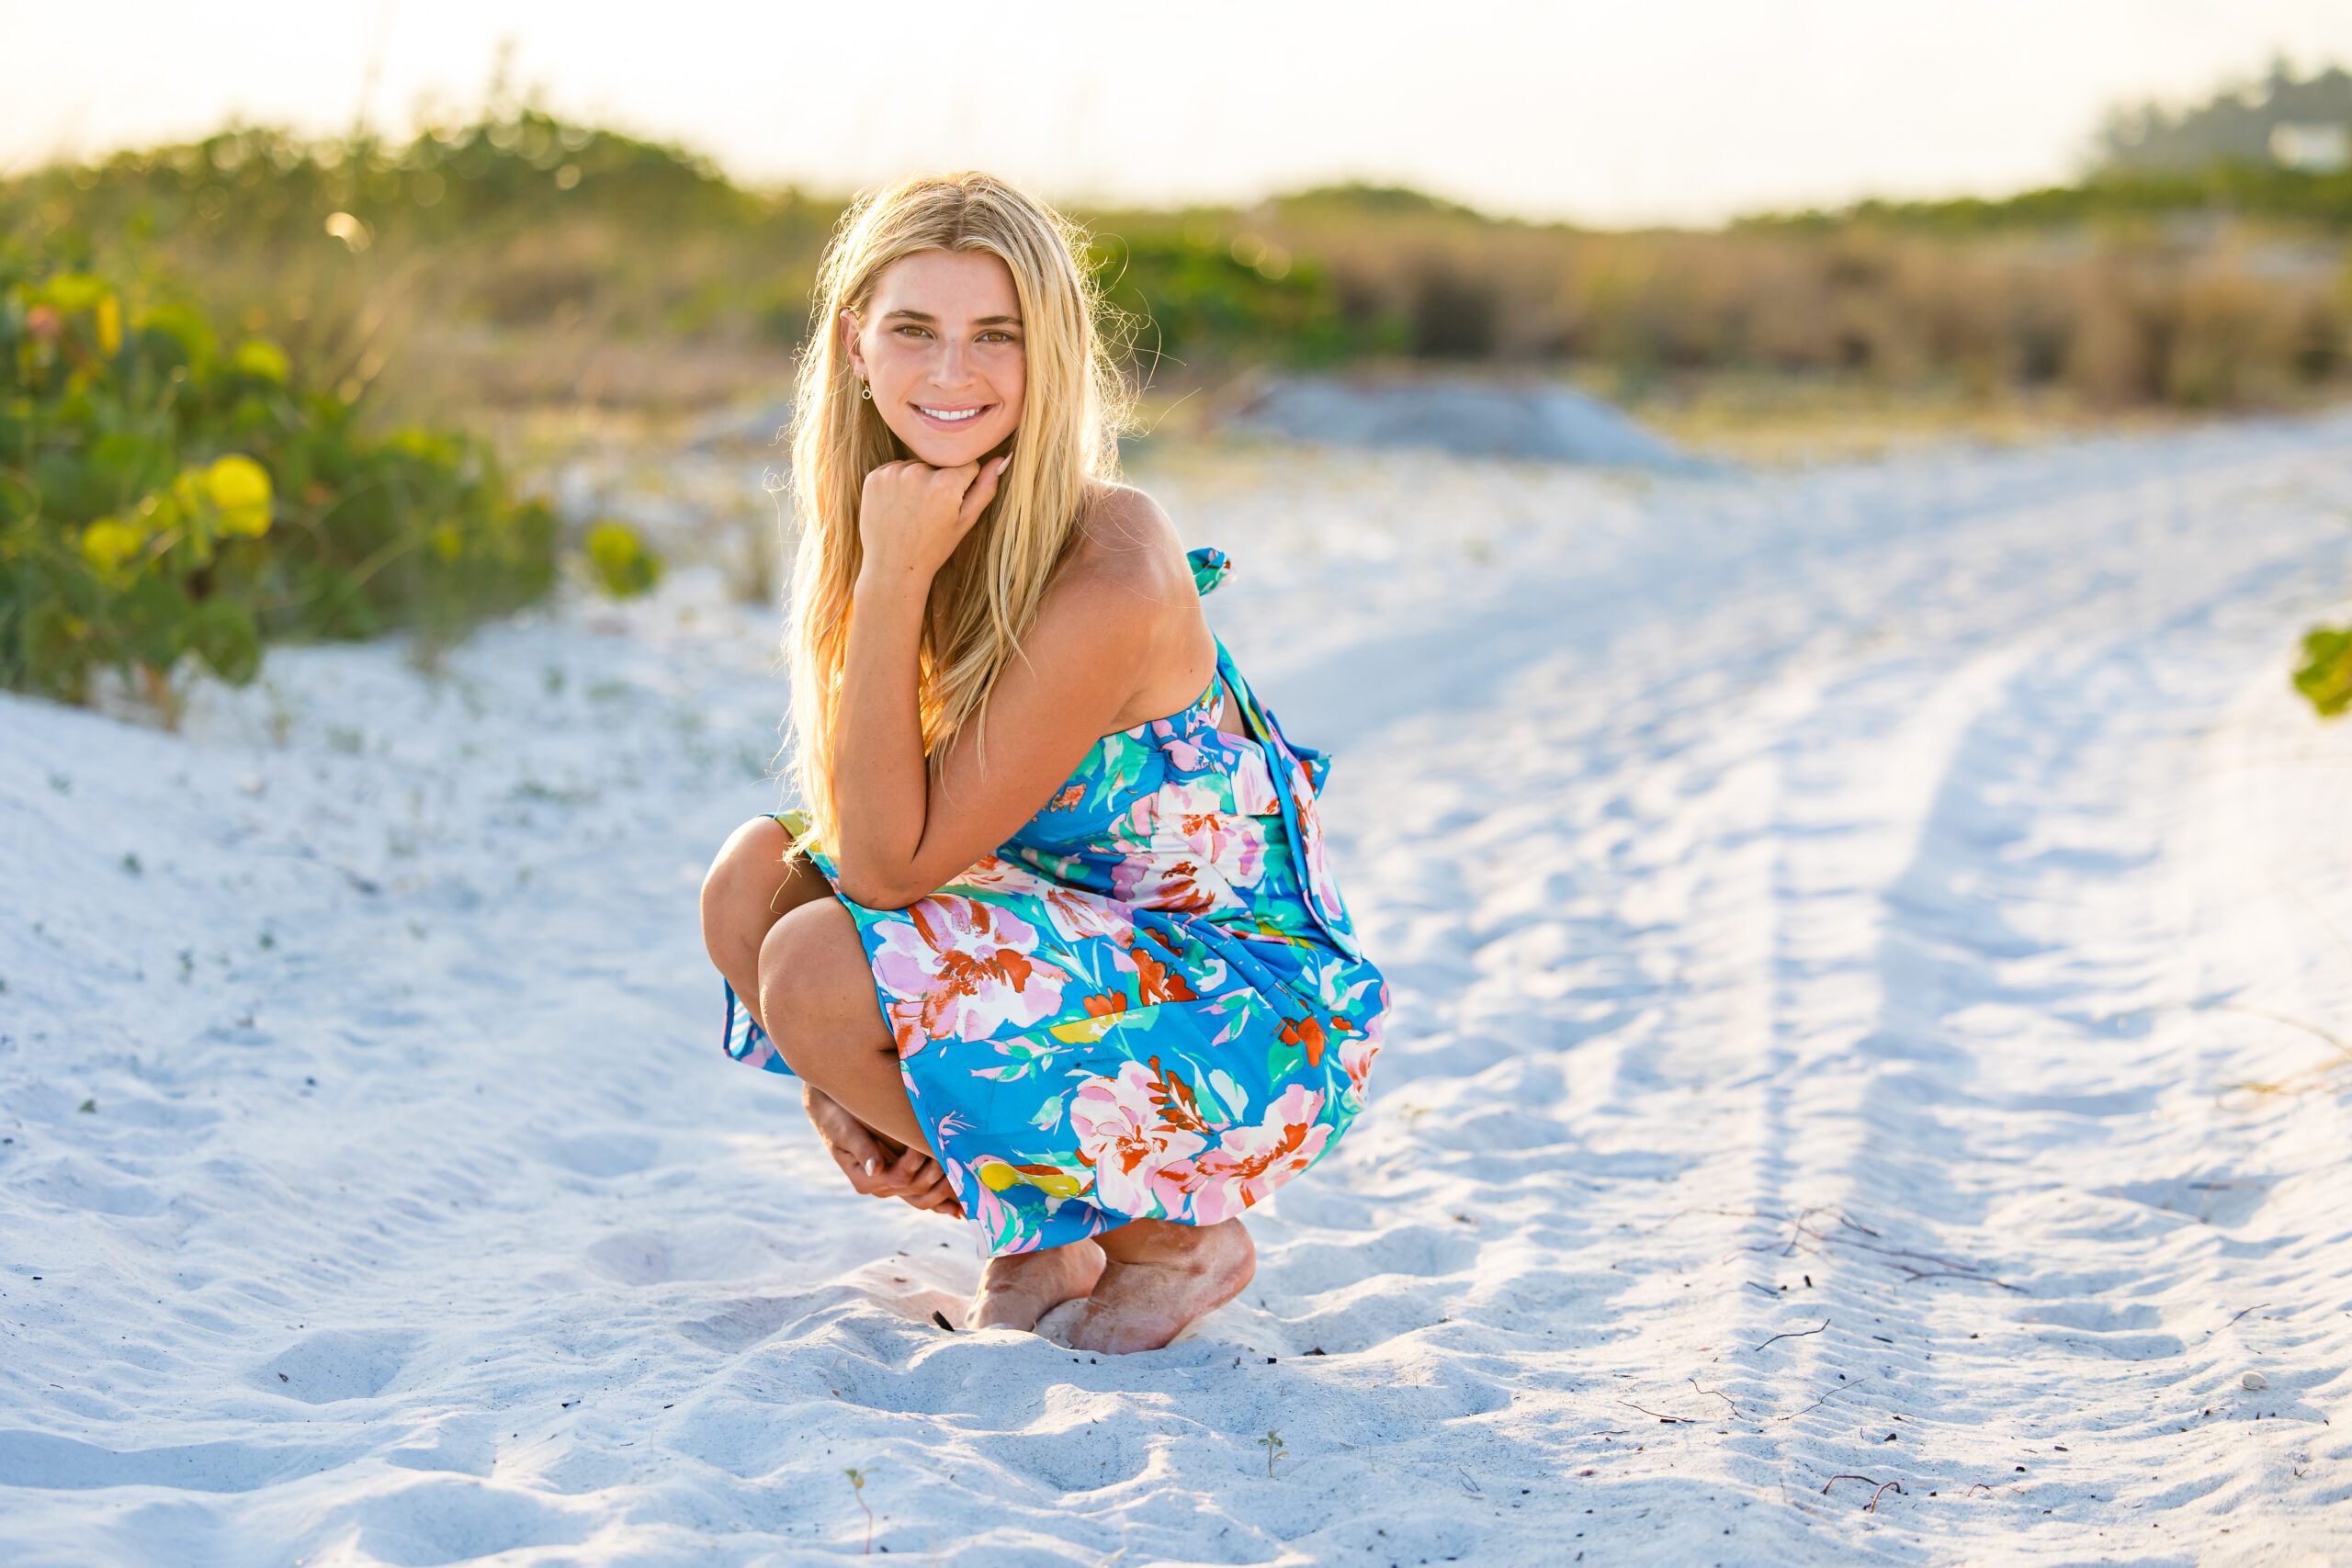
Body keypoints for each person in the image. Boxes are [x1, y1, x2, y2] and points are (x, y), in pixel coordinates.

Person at [698, 171, 1387, 1354]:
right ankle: (1041, 1230)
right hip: (1067, 952)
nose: (951, 373)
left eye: (996, 336)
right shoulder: (922, 506)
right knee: (752, 880)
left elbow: (885, 868)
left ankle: (1174, 1239)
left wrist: (894, 576)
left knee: (817, 958)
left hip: (1240, 1025)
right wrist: (835, 1090)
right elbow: (861, 834)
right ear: (857, 343)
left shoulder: (1109, 559)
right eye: (914, 329)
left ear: (1052, 354)